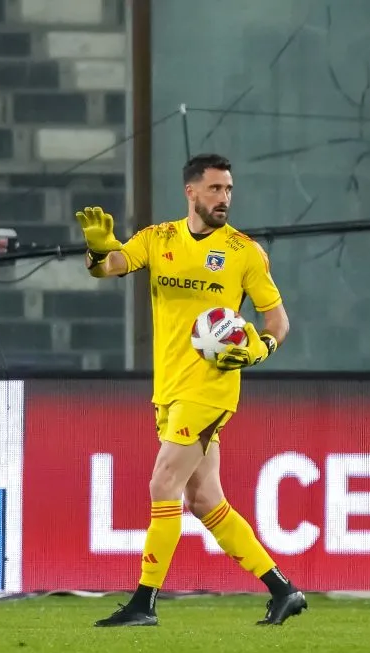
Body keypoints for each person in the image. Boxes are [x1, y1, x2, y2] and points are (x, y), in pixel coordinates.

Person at [78, 153, 307, 627]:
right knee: (206, 501)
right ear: (191, 192)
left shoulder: (244, 252)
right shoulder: (159, 239)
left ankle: (143, 601)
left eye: (228, 190)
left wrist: (260, 349)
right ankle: (283, 590)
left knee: (163, 483)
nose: (224, 198)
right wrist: (100, 251)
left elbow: (277, 320)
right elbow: (109, 268)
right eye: (215, 189)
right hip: (170, 387)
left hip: (210, 388)